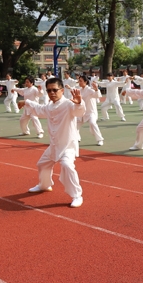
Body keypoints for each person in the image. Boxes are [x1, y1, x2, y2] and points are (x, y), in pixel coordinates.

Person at [21, 78, 86, 208]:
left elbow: (78, 111)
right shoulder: (49, 106)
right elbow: (39, 109)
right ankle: (44, 185)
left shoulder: (68, 104)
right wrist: (26, 102)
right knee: (42, 164)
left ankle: (77, 195)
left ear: (62, 90)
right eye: (49, 90)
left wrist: (79, 103)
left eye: (55, 90)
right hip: (54, 145)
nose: (52, 93)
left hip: (67, 145)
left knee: (67, 165)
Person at [76, 75, 104, 146]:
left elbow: (98, 96)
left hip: (91, 112)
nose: (79, 82)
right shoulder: (79, 90)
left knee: (92, 123)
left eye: (81, 81)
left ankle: (100, 139)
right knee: (75, 125)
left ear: (85, 82)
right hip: (82, 112)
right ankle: (77, 138)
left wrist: (96, 89)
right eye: (79, 81)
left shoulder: (89, 90)